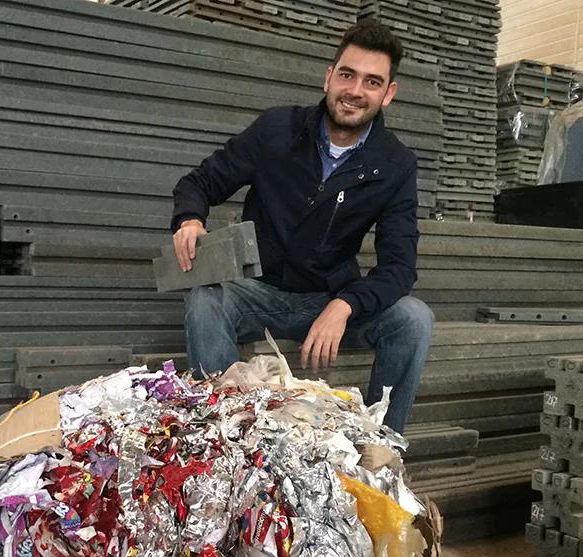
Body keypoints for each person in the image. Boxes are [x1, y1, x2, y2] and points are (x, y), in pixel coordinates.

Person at [170, 20, 433, 433]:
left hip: (326, 299)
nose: (355, 90)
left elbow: (399, 266)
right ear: (329, 76)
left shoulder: (395, 164)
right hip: (258, 291)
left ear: (388, 94)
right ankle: (227, 436)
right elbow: (199, 183)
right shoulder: (277, 130)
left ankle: (381, 444)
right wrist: (189, 218)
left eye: (371, 81)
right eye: (347, 75)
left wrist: (344, 305)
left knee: (413, 319)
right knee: (205, 301)